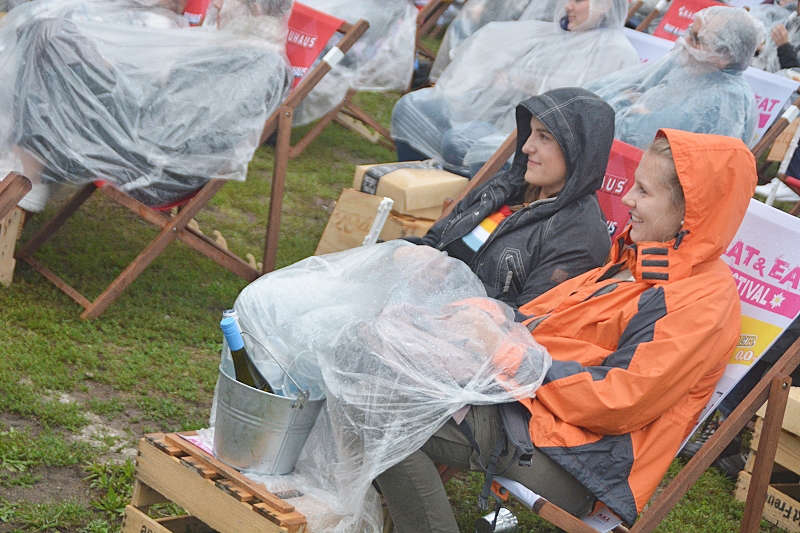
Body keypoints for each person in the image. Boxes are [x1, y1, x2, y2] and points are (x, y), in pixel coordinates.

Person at [376, 128, 757, 531]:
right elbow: (542, 320)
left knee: (385, 413)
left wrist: (510, 356)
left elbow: (619, 400)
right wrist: (473, 318)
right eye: (632, 185)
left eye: (644, 192)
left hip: (582, 460)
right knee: (376, 357)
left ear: (689, 213)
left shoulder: (699, 303)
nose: (626, 199)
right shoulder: (641, 260)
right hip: (535, 414)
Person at [1, 0, 292, 210]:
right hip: (143, 133)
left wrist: (117, 86)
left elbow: (185, 136)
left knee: (53, 37)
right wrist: (119, 77)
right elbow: (175, 105)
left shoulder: (261, 63)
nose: (215, 5)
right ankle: (29, 166)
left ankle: (29, 171)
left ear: (253, 7)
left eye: (227, 0)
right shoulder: (244, 50)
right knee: (50, 34)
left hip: (155, 165)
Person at [405, 88, 613, 307]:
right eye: (530, 133)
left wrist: (455, 294)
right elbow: (435, 240)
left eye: (544, 137)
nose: (526, 147)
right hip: (422, 302)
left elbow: (531, 322)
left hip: (462, 331)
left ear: (575, 150)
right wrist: (411, 253)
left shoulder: (579, 235)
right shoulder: (507, 187)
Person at [391, 0, 638, 177]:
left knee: (459, 142)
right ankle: (410, 185)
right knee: (412, 108)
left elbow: (580, 114)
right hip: (493, 120)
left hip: (532, 144)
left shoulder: (616, 54)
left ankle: (439, 202)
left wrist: (525, 84)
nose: (567, 6)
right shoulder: (553, 36)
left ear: (606, 4)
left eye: (578, 0)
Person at [584, 6, 761, 149]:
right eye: (690, 32)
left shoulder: (723, 100)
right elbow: (612, 88)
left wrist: (633, 106)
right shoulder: (690, 66)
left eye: (696, 39)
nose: (684, 42)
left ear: (725, 55)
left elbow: (641, 136)